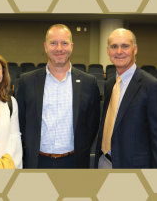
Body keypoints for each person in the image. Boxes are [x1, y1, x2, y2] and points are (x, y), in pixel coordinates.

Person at [17, 24, 100, 168]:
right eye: (53, 43)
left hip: (75, 162)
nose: (59, 48)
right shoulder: (27, 81)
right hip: (37, 162)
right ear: (45, 47)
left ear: (72, 46)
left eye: (64, 43)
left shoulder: (89, 82)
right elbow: (21, 122)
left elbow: (91, 126)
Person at [94, 28, 157, 168]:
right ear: (107, 51)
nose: (119, 52)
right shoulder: (109, 84)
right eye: (114, 47)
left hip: (133, 167)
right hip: (103, 162)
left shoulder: (152, 86)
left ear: (135, 49)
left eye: (125, 46)